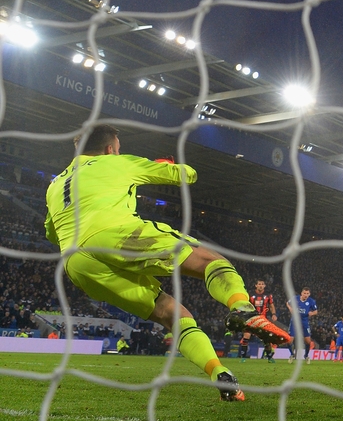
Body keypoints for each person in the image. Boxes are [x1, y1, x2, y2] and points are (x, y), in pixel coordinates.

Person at [43, 125, 291, 401]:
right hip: (114, 233)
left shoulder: (54, 186)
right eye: (119, 147)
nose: (119, 151)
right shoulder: (116, 162)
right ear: (109, 149)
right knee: (210, 260)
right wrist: (168, 165)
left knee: (170, 313)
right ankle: (243, 308)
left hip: (76, 263)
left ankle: (220, 373)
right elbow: (185, 176)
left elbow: (51, 232)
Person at [242, 279, 278, 363]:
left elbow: (271, 305)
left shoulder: (268, 295)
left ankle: (269, 357)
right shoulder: (250, 295)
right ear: (256, 285)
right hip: (251, 318)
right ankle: (243, 357)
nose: (261, 285)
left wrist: (274, 314)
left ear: (264, 286)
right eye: (259, 284)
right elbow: (245, 304)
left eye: (262, 284)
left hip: (262, 320)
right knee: (246, 336)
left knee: (266, 338)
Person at [286, 287, 317, 364]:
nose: (306, 295)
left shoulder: (311, 301)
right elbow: (288, 303)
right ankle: (292, 355)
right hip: (294, 322)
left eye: (307, 293)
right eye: (304, 293)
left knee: (308, 341)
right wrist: (290, 309)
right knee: (289, 340)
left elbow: (316, 311)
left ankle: (306, 356)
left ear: (309, 294)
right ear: (301, 293)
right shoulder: (295, 298)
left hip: (304, 322)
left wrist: (312, 313)